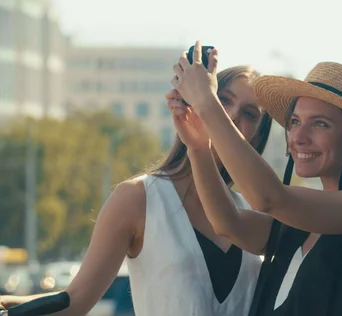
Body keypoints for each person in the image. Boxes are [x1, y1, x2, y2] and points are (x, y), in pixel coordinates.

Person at [0, 65, 273, 316]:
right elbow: (75, 300)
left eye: (250, 114)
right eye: (222, 100)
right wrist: (6, 307)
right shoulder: (138, 197)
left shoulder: (254, 214)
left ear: (258, 135)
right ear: (195, 103)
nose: (233, 115)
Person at [171, 42, 342, 316]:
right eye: (295, 122)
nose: (299, 137)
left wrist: (207, 102)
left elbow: (268, 197)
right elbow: (228, 223)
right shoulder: (296, 225)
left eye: (320, 123)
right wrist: (198, 147)